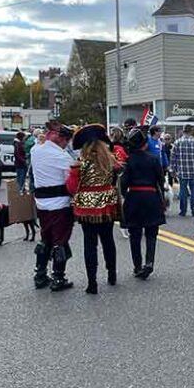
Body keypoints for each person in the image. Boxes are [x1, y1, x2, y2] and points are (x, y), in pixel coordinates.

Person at [67, 124, 120, 294]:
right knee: (108, 240)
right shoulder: (110, 160)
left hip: (87, 207)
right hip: (107, 203)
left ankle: (92, 282)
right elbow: (114, 179)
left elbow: (72, 187)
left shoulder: (80, 164)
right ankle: (112, 274)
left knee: (90, 244)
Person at [31, 122, 75, 291]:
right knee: (60, 241)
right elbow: (70, 182)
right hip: (60, 204)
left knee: (46, 237)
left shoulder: (36, 151)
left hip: (41, 203)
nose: (66, 145)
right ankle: (58, 277)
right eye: (66, 141)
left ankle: (40, 274)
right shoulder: (62, 157)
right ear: (61, 139)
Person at [120, 127, 166, 279]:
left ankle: (137, 266)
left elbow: (123, 184)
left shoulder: (128, 160)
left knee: (135, 234)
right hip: (151, 196)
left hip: (134, 197)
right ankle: (149, 262)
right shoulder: (153, 159)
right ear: (144, 144)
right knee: (152, 233)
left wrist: (125, 195)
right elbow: (161, 180)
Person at [170, 124, 194, 216]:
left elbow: (173, 158)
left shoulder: (177, 143)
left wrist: (172, 170)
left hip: (182, 171)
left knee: (183, 191)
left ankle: (183, 211)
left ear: (183, 131)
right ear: (191, 131)